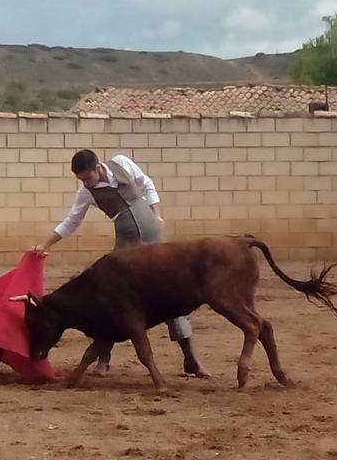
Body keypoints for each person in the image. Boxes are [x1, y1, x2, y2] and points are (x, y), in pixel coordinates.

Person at [32, 149, 209, 378]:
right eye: (81, 180)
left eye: (88, 178)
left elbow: (146, 184)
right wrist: (46, 244)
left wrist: (156, 213)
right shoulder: (86, 193)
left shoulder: (121, 163)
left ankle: (191, 358)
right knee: (115, 301)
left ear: (98, 167)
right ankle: (103, 361)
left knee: (171, 292)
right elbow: (72, 221)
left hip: (153, 233)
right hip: (126, 243)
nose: (86, 183)